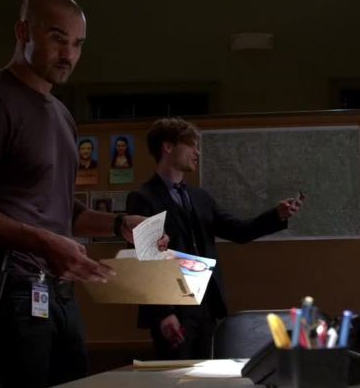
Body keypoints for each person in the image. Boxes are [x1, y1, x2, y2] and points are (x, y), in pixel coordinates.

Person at [0, 0, 161, 388]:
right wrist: (42, 242)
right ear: (23, 32)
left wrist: (121, 224)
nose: (68, 54)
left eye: (78, 44)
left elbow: (61, 209)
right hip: (6, 295)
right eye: (57, 38)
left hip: (59, 295)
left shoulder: (61, 114)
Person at [126, 117, 303, 359]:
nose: (197, 153)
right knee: (175, 378)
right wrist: (164, 313)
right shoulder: (143, 198)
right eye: (191, 145)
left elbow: (239, 231)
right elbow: (145, 261)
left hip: (207, 307)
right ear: (167, 147)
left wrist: (277, 215)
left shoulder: (201, 198)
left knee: (206, 376)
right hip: (173, 310)